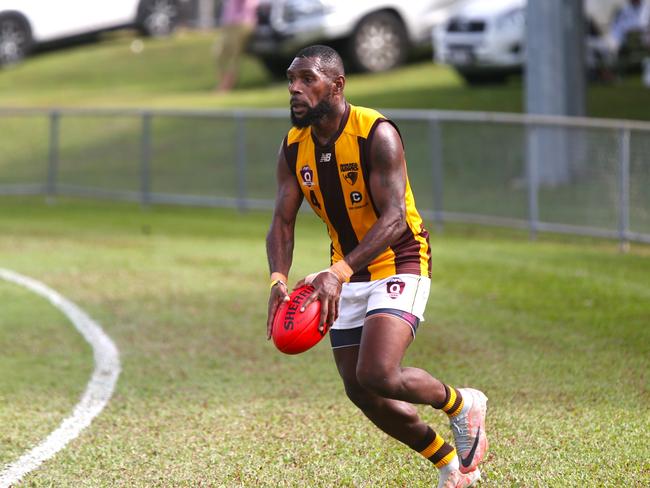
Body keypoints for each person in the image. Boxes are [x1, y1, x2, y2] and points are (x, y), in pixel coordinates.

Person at [265, 45, 488, 488]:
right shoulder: (293, 148)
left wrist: (339, 273)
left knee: (379, 372)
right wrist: (277, 279)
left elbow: (395, 218)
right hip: (344, 272)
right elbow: (282, 221)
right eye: (291, 79)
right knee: (360, 390)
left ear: (337, 85)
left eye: (307, 79)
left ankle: (461, 404)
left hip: (399, 259)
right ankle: (450, 467)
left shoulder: (375, 133)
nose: (295, 88)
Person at [213, 0, 258, 92]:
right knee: (218, 53)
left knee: (233, 56)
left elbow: (250, 5)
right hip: (229, 24)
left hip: (242, 23)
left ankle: (227, 85)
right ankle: (223, 82)